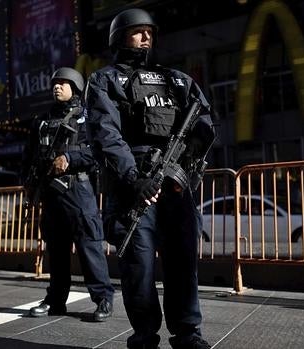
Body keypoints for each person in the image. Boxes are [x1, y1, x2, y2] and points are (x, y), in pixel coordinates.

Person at [84, 8, 215, 349]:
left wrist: (183, 169)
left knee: (182, 261)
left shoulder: (177, 80)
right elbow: (105, 133)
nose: (145, 38)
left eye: (149, 32)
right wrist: (132, 177)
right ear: (119, 37)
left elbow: (203, 125)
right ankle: (144, 335)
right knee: (138, 266)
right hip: (134, 184)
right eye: (137, 32)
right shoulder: (105, 80)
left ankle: (187, 332)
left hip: (174, 183)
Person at [23, 67, 115, 322]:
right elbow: (29, 155)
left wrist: (70, 157)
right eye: (55, 83)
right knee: (57, 250)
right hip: (50, 193)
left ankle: (103, 299)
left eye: (63, 82)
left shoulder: (87, 118)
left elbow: (99, 151)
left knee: (89, 247)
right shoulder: (41, 120)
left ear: (75, 86)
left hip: (78, 191)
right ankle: (55, 300)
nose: (57, 86)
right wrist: (27, 183)